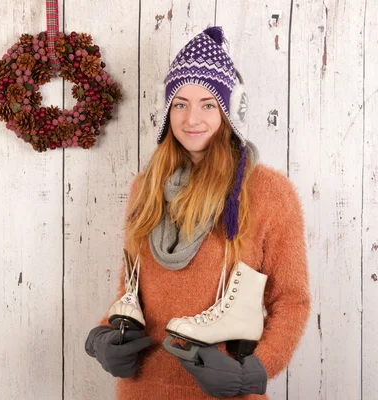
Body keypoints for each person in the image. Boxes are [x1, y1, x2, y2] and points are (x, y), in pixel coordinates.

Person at [85, 26, 311, 400]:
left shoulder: (267, 192)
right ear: (167, 111)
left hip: (224, 390)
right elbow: (132, 291)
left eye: (208, 104)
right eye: (180, 103)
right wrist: (104, 336)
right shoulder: (145, 188)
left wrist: (254, 369)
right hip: (143, 387)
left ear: (229, 110)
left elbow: (290, 300)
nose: (192, 119)